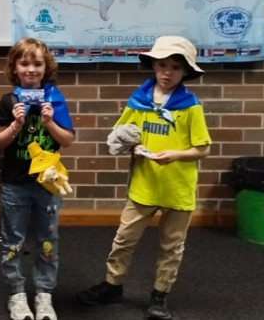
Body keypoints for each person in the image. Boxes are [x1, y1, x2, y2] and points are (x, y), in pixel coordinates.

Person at [76, 36, 212, 320]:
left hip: (177, 188)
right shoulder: (139, 101)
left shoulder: (190, 106)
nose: (167, 72)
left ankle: (160, 295)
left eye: (175, 67)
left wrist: (176, 154)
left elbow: (203, 148)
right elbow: (120, 134)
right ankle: (112, 285)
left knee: (171, 246)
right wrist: (132, 146)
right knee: (124, 239)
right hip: (144, 185)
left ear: (186, 71)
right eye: (162, 65)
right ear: (153, 65)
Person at [0, 38, 75, 320]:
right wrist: (16, 124)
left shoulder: (54, 99)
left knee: (48, 240)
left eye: (37, 64)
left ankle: (44, 294)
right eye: (24, 63)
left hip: (47, 185)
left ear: (46, 67)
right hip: (16, 184)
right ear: (14, 67)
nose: (31, 69)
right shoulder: (9, 101)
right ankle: (16, 294)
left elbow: (68, 140)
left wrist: (49, 122)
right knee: (13, 240)